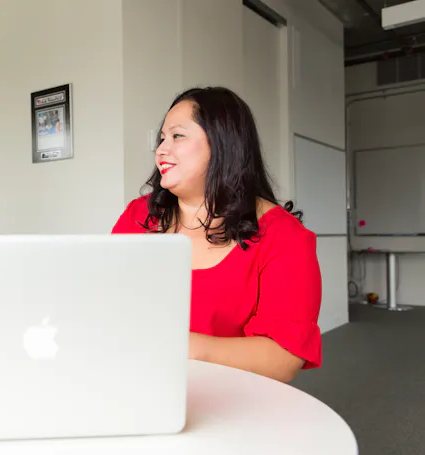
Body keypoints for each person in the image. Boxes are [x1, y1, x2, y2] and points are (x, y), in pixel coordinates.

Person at [112, 87, 321, 383]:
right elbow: (107, 301)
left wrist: (183, 347)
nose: (160, 150)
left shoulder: (284, 237)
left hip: (232, 398)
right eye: (161, 138)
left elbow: (283, 358)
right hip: (134, 381)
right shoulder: (138, 216)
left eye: (177, 136)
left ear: (223, 143)